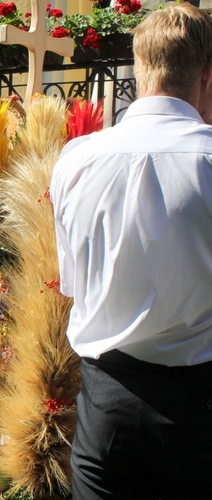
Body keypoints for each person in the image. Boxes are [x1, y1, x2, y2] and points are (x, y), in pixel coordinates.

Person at [51, 4, 212, 498]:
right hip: (195, 405)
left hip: (105, 403)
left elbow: (74, 284)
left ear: (140, 69)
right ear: (207, 76)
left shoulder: (78, 159)